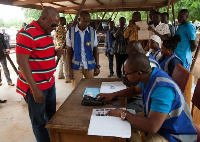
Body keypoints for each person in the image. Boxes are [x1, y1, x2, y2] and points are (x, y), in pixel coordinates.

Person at [97, 53, 197, 142]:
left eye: (127, 73)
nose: (125, 76)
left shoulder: (162, 90)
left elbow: (152, 127)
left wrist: (124, 113)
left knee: (126, 119)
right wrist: (113, 94)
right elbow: (135, 90)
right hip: (159, 122)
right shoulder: (150, 75)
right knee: (124, 123)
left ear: (139, 73)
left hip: (174, 133)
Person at [16, 7, 61, 142]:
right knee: (39, 121)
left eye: (56, 25)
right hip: (36, 87)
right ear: (43, 18)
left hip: (49, 83)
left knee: (51, 115)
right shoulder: (26, 34)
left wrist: (54, 52)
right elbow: (22, 62)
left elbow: (38, 52)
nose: (54, 28)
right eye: (53, 25)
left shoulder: (46, 31)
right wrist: (35, 89)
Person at [66, 11, 100, 89]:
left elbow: (95, 50)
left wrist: (97, 66)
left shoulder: (92, 31)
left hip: (89, 65)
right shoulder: (70, 32)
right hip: (76, 66)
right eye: (84, 21)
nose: (86, 24)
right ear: (79, 20)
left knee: (91, 87)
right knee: (76, 89)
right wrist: (69, 70)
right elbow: (68, 51)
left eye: (88, 21)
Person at [55, 17, 71, 83]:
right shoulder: (61, 29)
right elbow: (63, 40)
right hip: (62, 47)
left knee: (61, 62)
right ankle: (67, 77)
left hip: (59, 47)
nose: (65, 21)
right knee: (65, 62)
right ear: (61, 21)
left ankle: (60, 75)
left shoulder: (60, 28)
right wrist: (64, 48)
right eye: (64, 20)